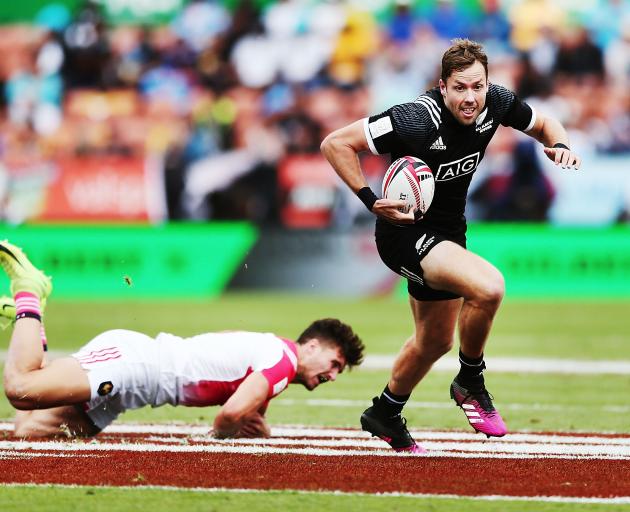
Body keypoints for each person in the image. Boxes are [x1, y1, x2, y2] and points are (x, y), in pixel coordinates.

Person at [321, 38, 580, 453]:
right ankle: (470, 380)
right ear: (442, 86)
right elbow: (335, 143)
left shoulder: (496, 102)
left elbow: (546, 124)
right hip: (403, 234)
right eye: (460, 87)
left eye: (477, 86)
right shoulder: (415, 119)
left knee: (434, 341)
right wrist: (371, 201)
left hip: (449, 233)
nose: (471, 97)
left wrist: (561, 145)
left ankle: (385, 412)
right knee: (489, 286)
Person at [0, 240, 364, 439]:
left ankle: (29, 321)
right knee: (21, 389)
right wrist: (219, 436)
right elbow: (231, 415)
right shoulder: (281, 363)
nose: (332, 374)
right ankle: (30, 292)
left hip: (135, 386)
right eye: (335, 363)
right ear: (312, 346)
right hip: (134, 366)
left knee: (30, 429)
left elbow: (241, 406)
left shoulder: (272, 349)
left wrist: (255, 428)